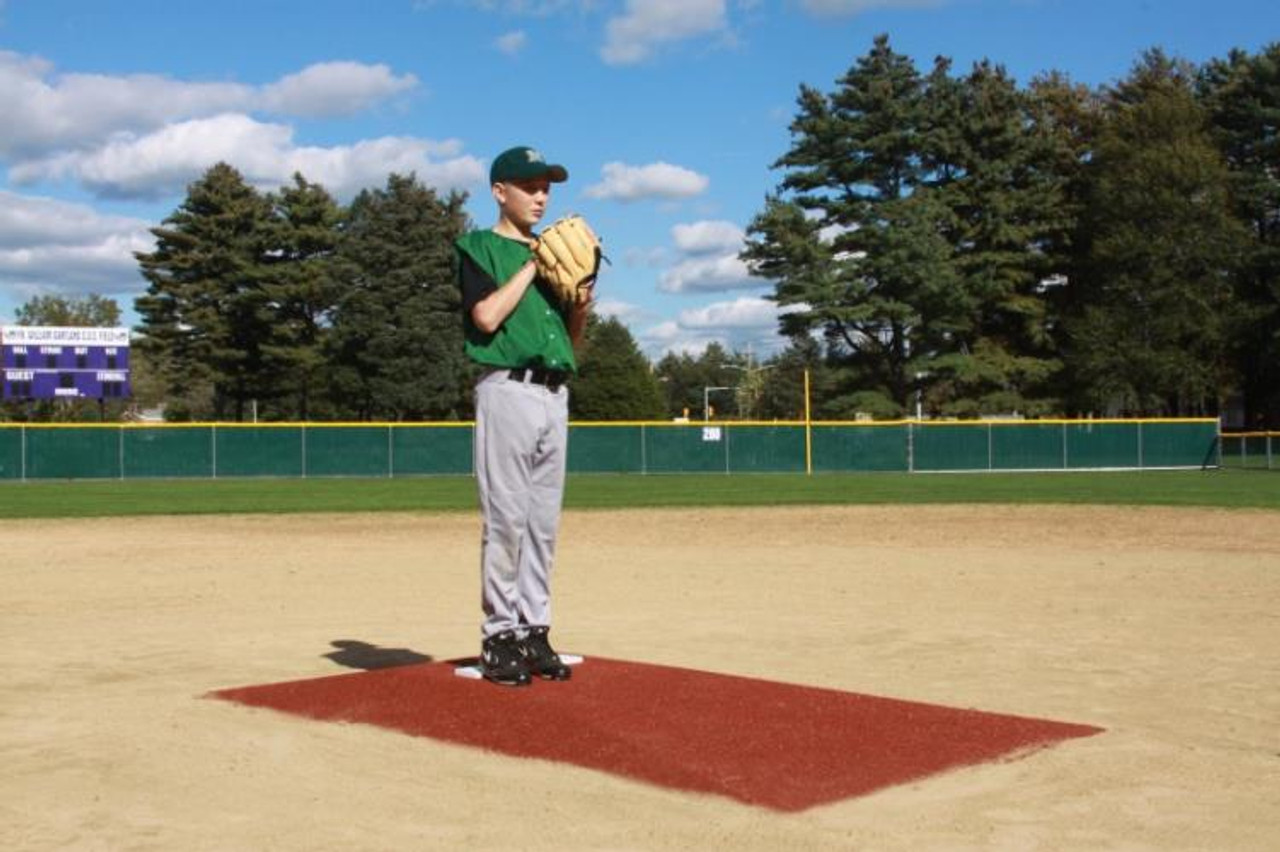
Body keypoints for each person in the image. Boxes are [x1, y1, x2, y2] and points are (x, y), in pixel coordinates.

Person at [455, 145, 593, 687]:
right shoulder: (479, 248)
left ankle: (534, 630)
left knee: (542, 526)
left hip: (554, 393)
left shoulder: (560, 257)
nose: (541, 196)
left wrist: (578, 304)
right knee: (507, 520)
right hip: (506, 389)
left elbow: (573, 349)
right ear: (499, 192)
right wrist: (532, 267)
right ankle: (498, 636)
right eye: (529, 185)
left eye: (546, 187)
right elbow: (485, 318)